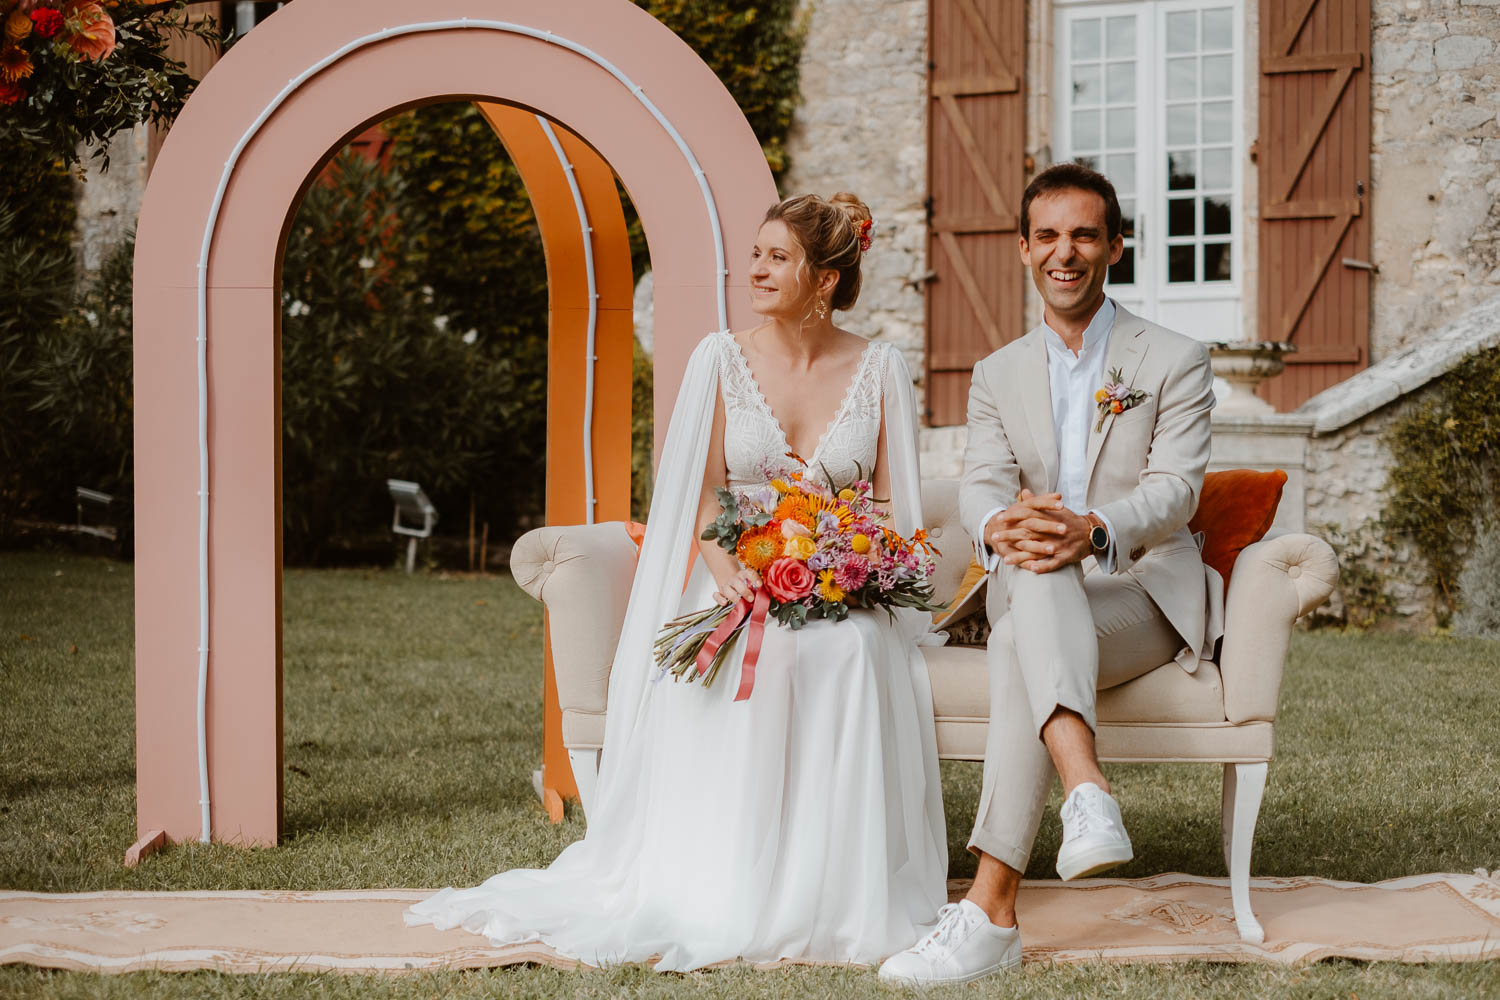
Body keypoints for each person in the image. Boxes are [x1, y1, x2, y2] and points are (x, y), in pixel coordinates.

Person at [407, 193, 949, 970]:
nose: (756, 269)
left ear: (825, 278)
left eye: (776, 257)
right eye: (755, 253)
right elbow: (697, 498)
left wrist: (849, 566)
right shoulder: (720, 359)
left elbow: (893, 503)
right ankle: (727, 878)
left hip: (839, 585)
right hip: (732, 578)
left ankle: (831, 887)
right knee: (750, 660)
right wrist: (732, 575)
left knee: (852, 653)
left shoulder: (881, 367)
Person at [879, 163, 1222, 985]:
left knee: (1022, 627)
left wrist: (1093, 528)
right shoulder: (998, 371)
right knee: (1031, 574)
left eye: (1084, 235)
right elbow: (985, 487)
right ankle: (1082, 797)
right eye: (1048, 237)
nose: (1064, 253)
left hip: (1139, 590)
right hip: (1035, 581)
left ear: (1115, 246)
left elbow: (1176, 491)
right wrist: (1003, 524)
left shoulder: (1174, 358)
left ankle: (990, 911)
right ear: (1024, 250)